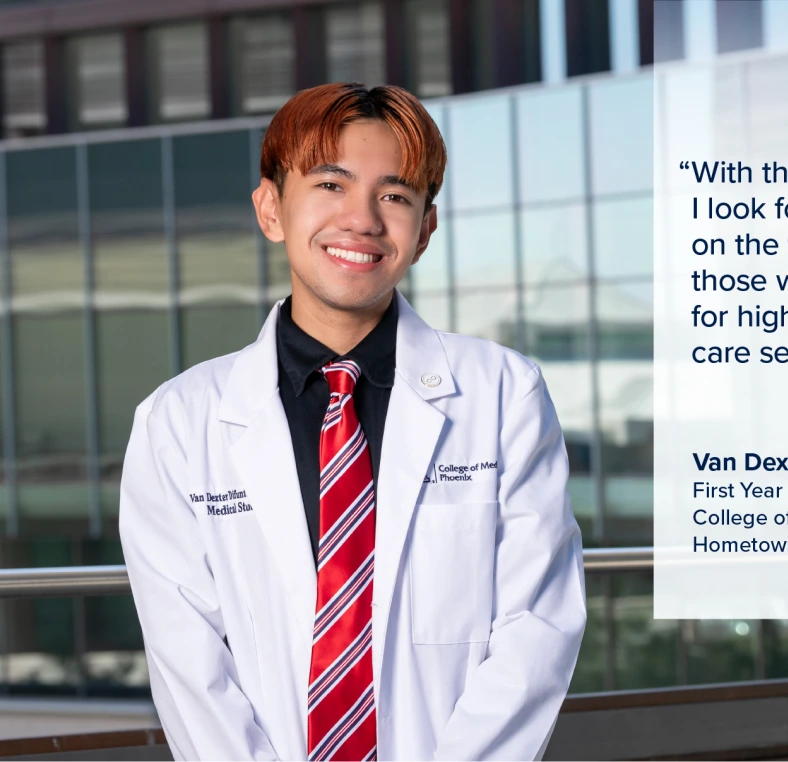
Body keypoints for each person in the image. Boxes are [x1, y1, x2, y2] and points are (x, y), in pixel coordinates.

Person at [119, 82, 587, 761]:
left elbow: (536, 627)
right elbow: (187, 660)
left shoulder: (504, 393)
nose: (363, 219)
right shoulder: (178, 421)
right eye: (331, 185)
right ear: (271, 208)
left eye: (394, 196)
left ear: (424, 230)